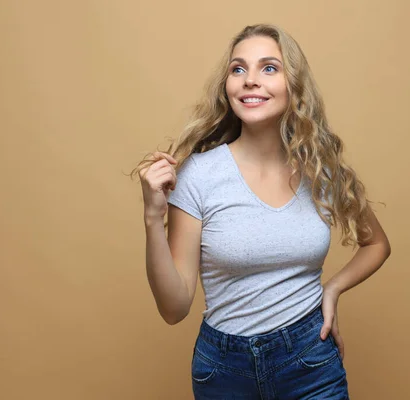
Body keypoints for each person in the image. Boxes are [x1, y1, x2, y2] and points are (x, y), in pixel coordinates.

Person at [131, 23, 391, 399]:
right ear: (228, 87)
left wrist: (332, 289)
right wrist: (153, 219)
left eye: (269, 68)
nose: (250, 80)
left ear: (294, 85)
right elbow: (174, 308)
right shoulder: (198, 175)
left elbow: (377, 244)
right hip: (223, 372)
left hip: (310, 360)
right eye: (238, 69)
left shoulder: (320, 169)